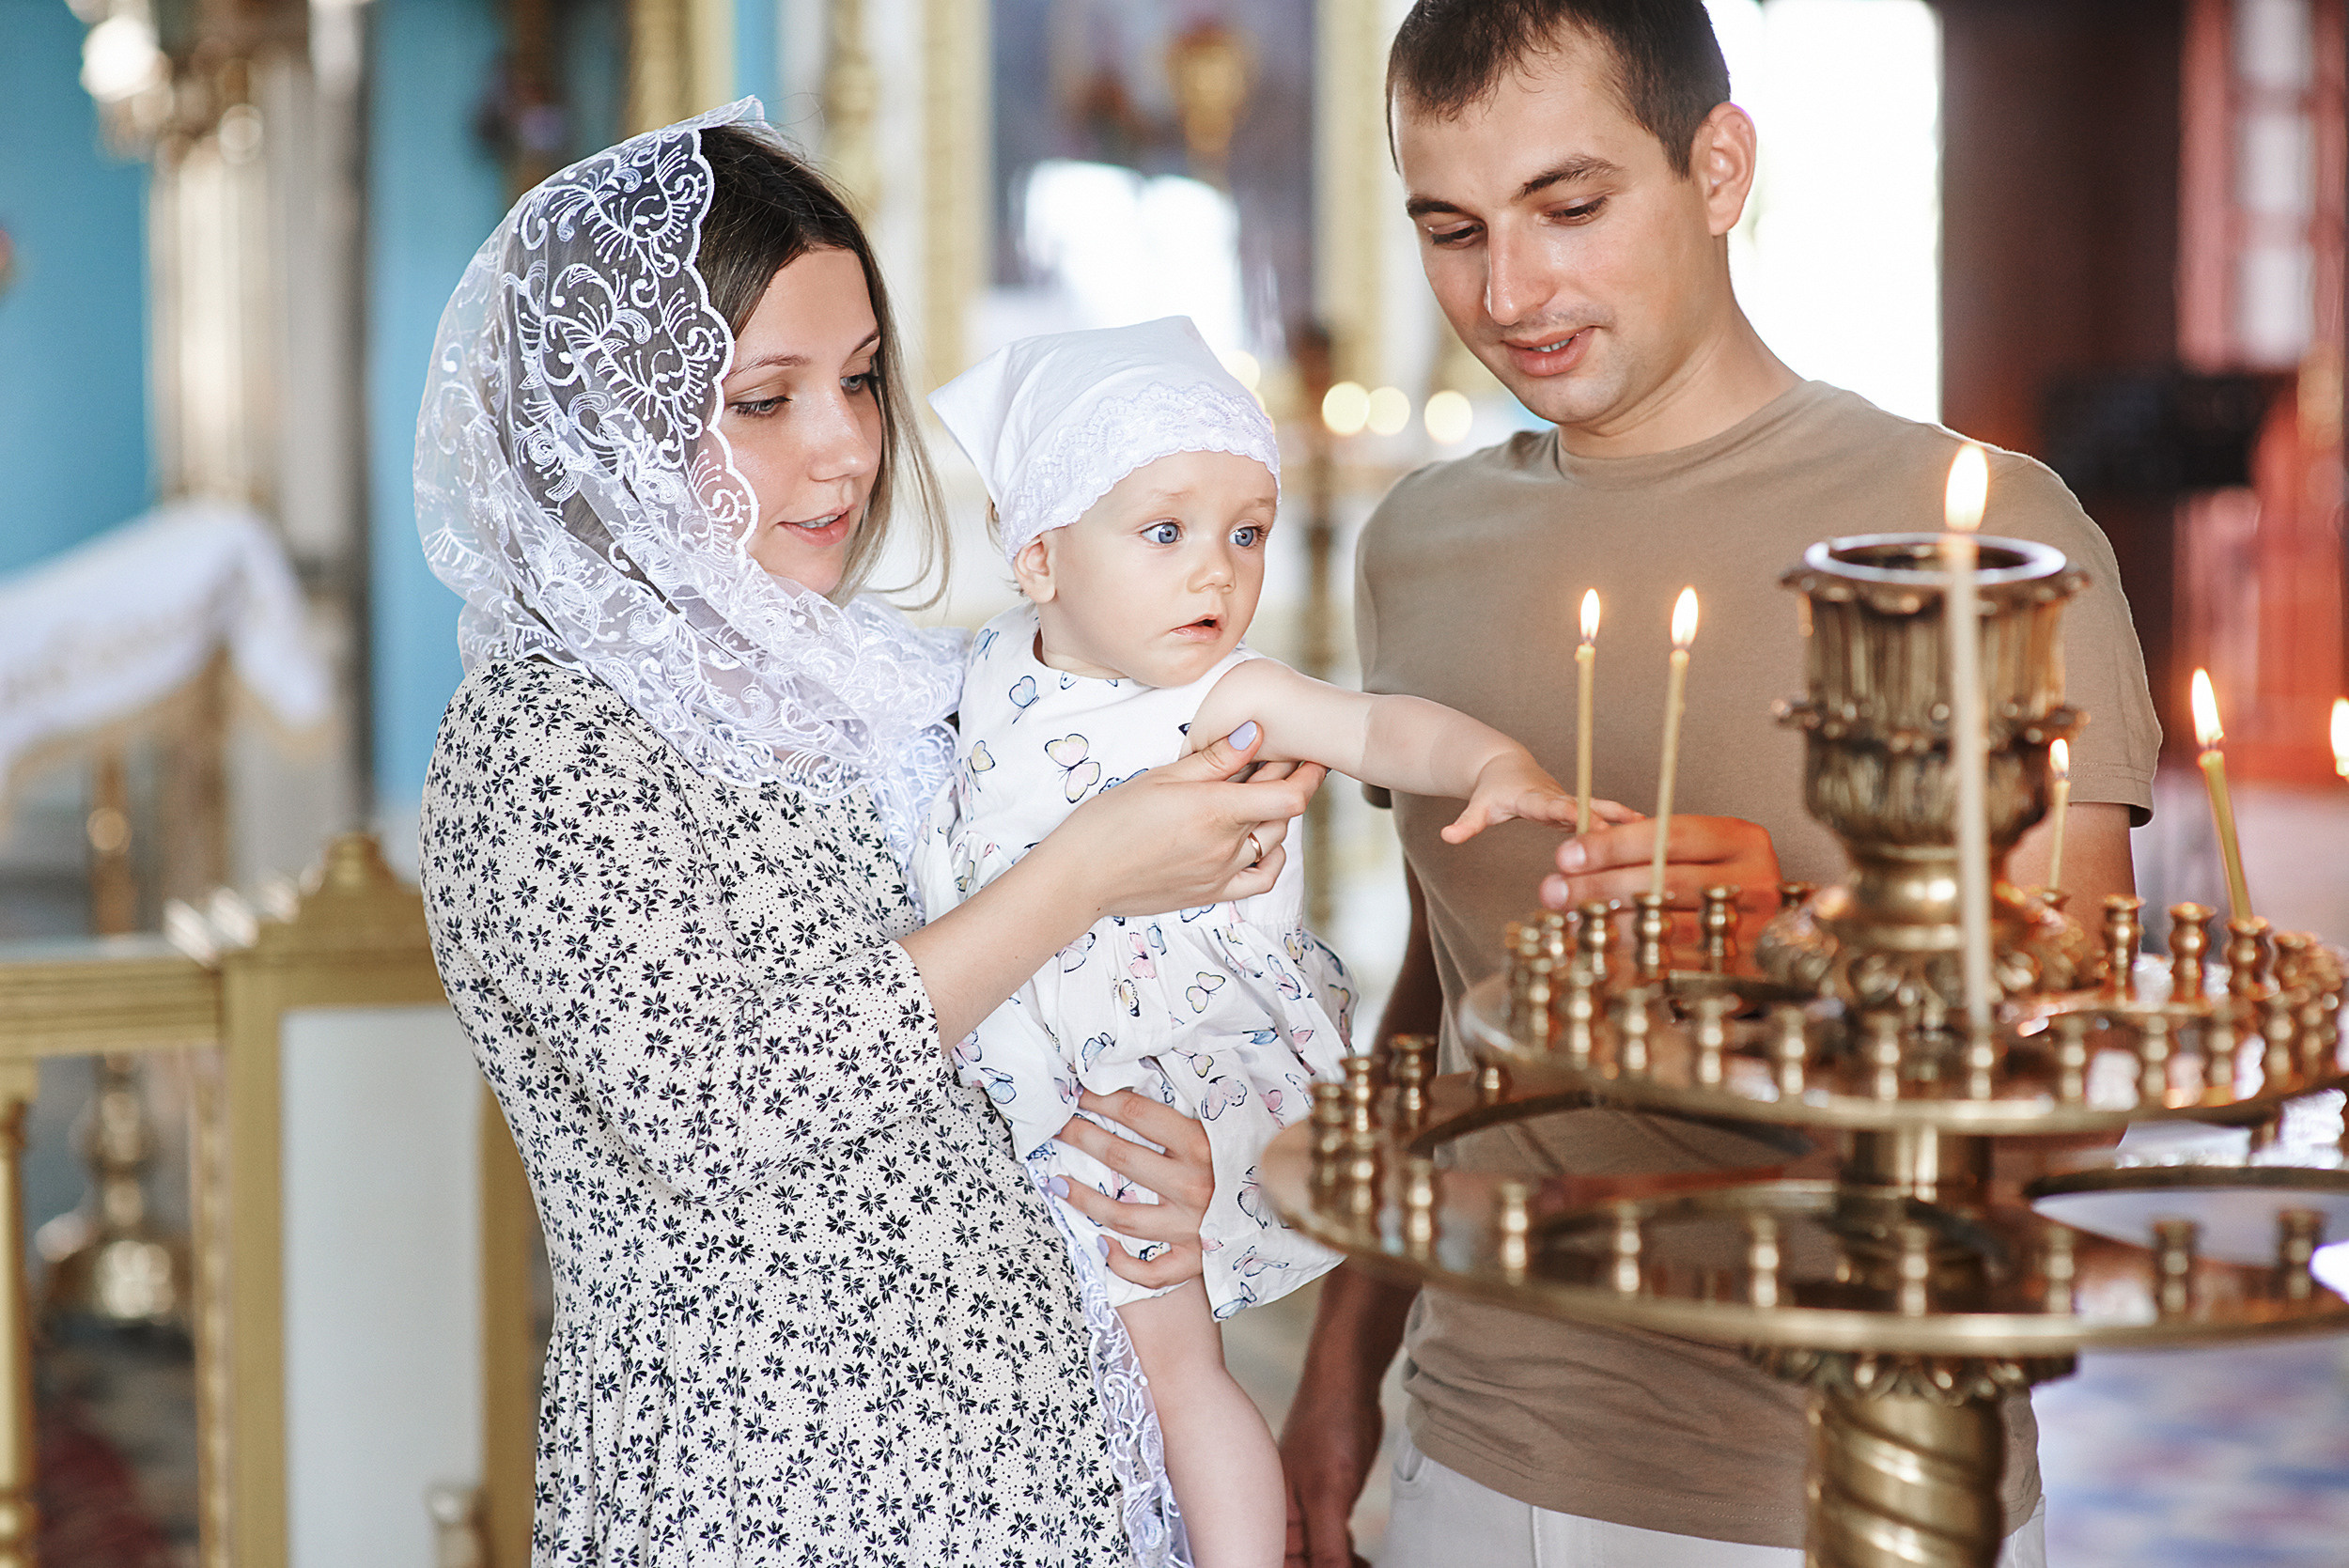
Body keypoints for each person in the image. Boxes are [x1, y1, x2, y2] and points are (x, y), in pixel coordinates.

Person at [1279, 6, 2161, 1567]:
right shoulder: (1414, 546)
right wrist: (1345, 1361)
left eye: (1571, 207)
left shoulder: (1977, 537)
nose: (1511, 291)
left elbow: (2071, 1097)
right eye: (1453, 229)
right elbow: (1449, 986)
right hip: (1480, 1446)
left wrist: (1800, 931)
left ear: (1720, 165)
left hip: (1857, 1465)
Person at [413, 102, 1327, 1565]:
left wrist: (1188, 1146)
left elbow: (1150, 992)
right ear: (620, 417)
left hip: (1055, 1471)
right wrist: (1083, 867)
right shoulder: (540, 736)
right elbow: (713, 1102)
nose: (843, 449)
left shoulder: (896, 688)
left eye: (859, 379)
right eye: (765, 400)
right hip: (772, 1488)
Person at [918, 317, 1622, 1568]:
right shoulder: (967, 683)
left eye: (1247, 531)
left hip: (1147, 1086)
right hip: (997, 1090)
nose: (1217, 573)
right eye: (1168, 530)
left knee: (1178, 1365)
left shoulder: (1221, 693)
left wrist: (1490, 762)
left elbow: (1378, 727)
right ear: (1037, 554)